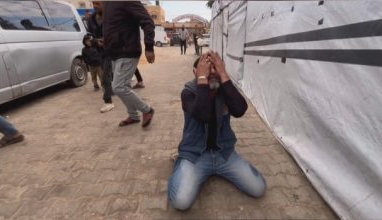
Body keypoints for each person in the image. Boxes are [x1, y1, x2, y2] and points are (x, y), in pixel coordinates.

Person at [167, 51, 267, 210]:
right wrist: (202, 79)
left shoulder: (224, 89)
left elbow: (240, 110)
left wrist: (223, 73)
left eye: (215, 68)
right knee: (181, 202)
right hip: (196, 155)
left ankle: (214, 169)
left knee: (258, 188)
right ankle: (181, 163)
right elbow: (203, 115)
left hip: (224, 154)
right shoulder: (188, 92)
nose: (212, 73)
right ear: (195, 72)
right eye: (206, 69)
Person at [103, 1, 155, 127]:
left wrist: (149, 47)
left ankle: (147, 110)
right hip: (115, 52)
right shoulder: (107, 3)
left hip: (127, 50)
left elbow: (148, 21)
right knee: (125, 86)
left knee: (118, 87)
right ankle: (133, 116)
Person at [86, 1, 115, 113]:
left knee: (109, 75)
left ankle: (108, 99)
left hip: (115, 49)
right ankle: (109, 99)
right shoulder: (91, 19)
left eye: (98, 3)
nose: (95, 6)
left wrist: (107, 40)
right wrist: (95, 41)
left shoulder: (112, 16)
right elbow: (90, 36)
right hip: (101, 52)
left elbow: (118, 32)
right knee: (106, 75)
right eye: (94, 3)